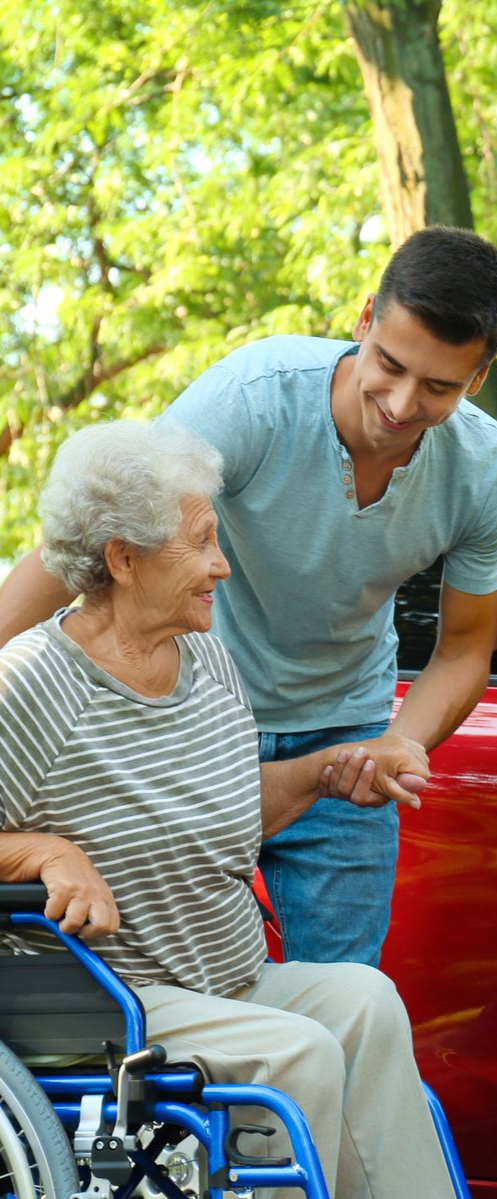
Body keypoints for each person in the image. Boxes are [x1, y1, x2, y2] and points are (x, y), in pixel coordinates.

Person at [0, 226, 497, 968]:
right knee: (163, 990)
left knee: (345, 996)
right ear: (364, 319)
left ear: (476, 381)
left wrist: (403, 742)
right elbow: (101, 535)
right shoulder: (254, 397)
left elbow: (467, 646)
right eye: (389, 364)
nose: (402, 403)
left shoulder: (488, 470)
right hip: (186, 728)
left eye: (438, 387)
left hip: (339, 736)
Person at [0, 421, 456, 1199]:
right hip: (121, 1001)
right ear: (123, 556)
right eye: (202, 541)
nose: (222, 564)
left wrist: (324, 773)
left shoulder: (205, 656)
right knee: (299, 1050)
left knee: (368, 1001)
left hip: (229, 975)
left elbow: (228, 804)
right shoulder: (35, 684)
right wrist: (46, 851)